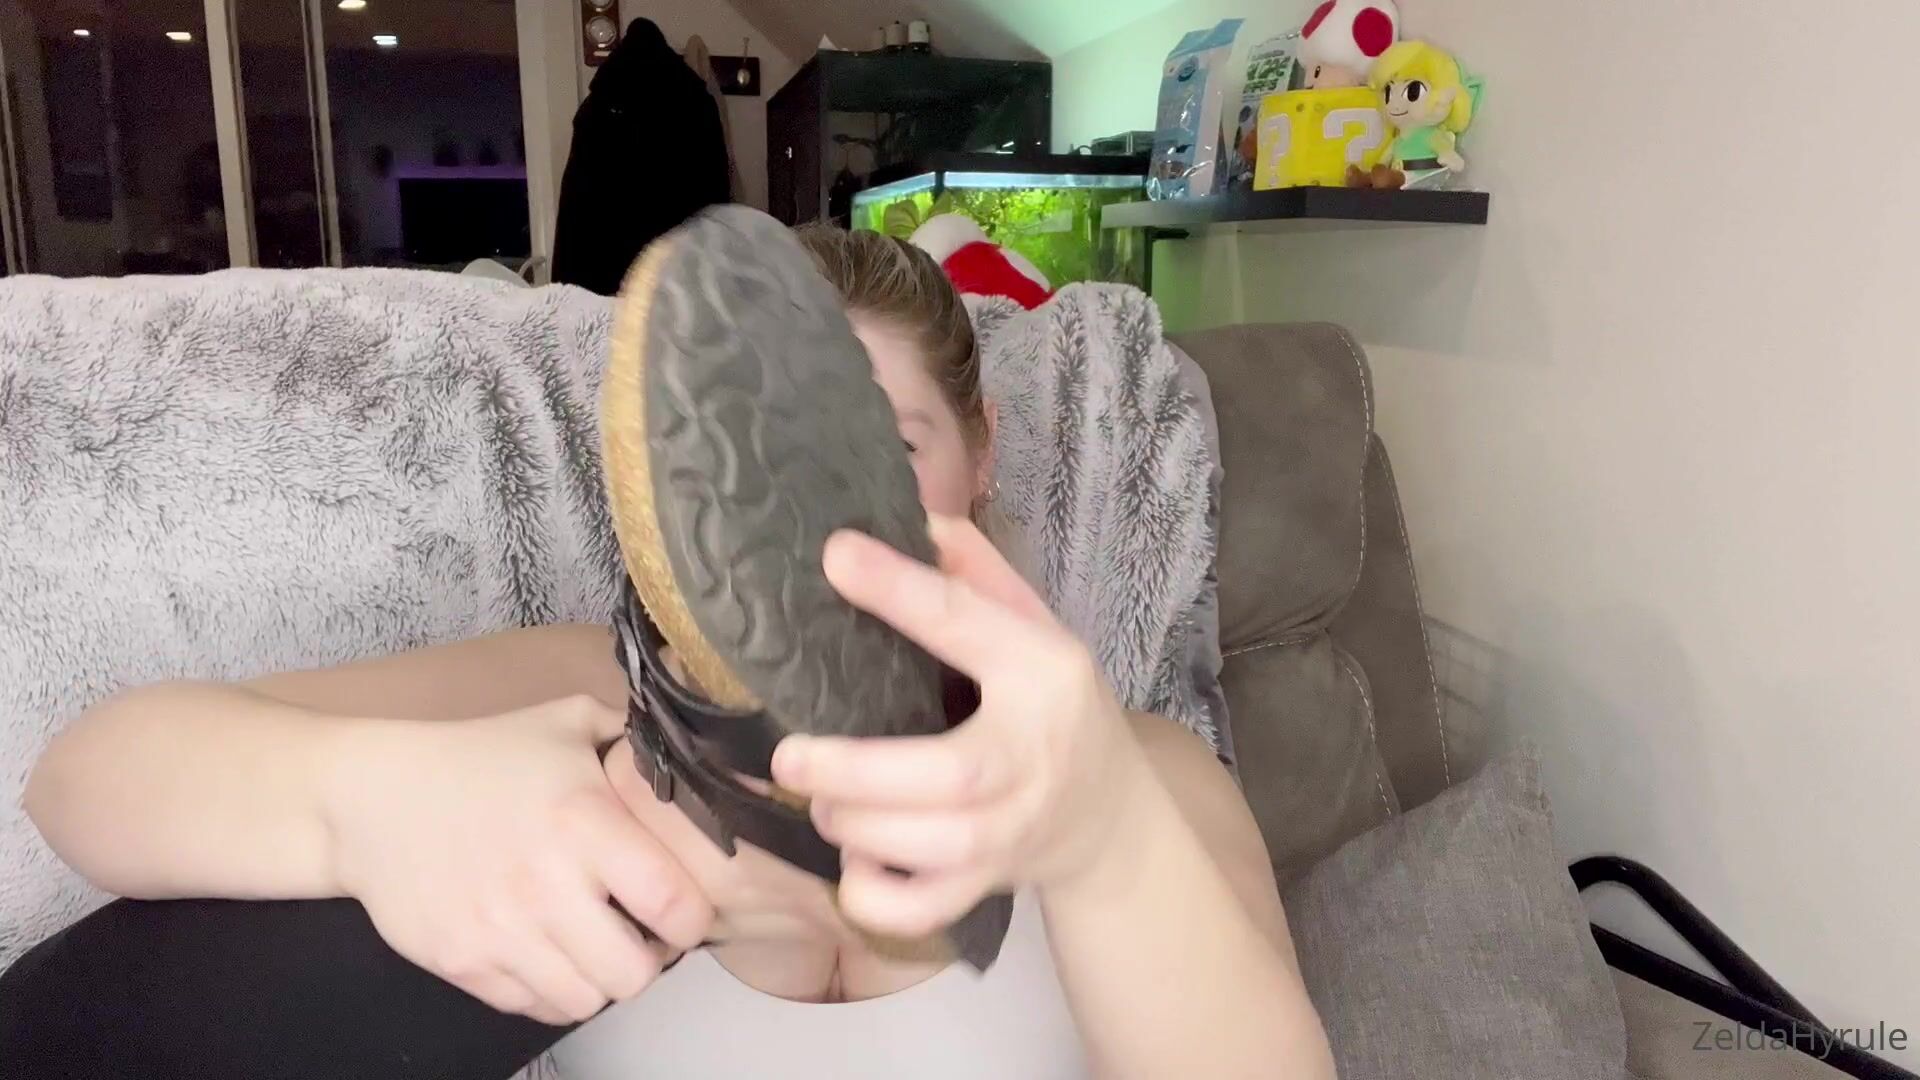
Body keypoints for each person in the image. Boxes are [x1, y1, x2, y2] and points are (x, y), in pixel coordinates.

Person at [20, 227, 1335, 1079]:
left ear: (980, 454)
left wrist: (1101, 834)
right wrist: (367, 806)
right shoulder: (586, 693)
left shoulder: (1138, 767)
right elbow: (85, 781)